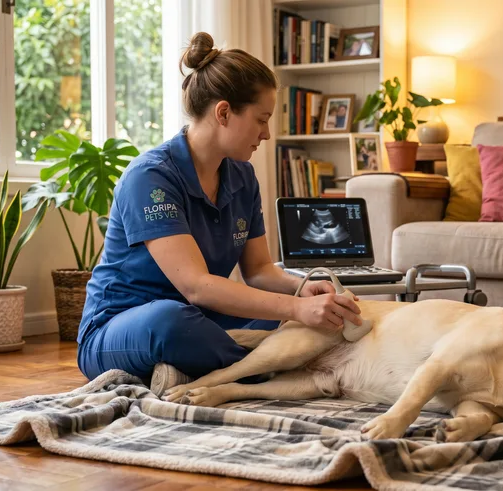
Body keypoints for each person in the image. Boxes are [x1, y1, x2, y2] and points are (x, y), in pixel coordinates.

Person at [77, 32, 362, 395]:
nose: (268, 134)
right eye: (261, 120)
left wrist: (302, 289)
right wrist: (295, 309)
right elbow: (196, 286)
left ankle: (201, 370)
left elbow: (258, 271)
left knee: (282, 317)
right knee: (172, 320)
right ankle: (272, 372)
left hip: (201, 318)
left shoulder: (242, 176)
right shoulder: (149, 177)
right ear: (224, 112)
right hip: (124, 327)